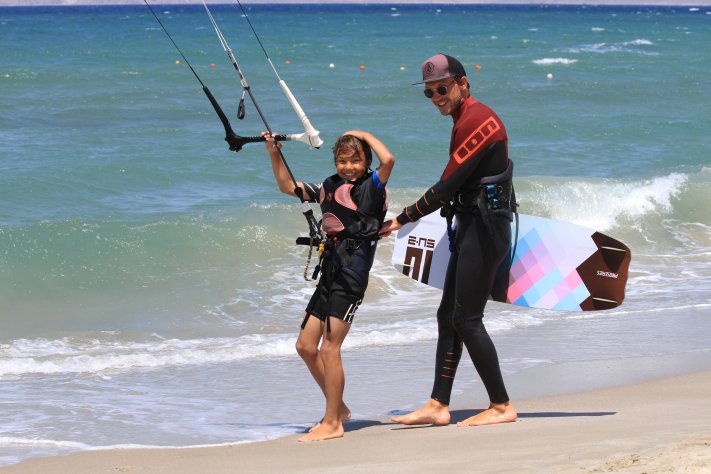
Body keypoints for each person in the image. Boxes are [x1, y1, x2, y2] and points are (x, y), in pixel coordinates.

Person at [379, 54, 517, 427]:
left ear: (462, 83)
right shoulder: (463, 118)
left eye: (442, 88)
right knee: (448, 315)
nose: (437, 96)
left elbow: (446, 188)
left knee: (468, 318)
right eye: (430, 93)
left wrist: (400, 220)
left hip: (487, 230)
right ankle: (438, 404)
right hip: (474, 226)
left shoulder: (477, 120)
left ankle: (502, 405)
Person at [264, 130, 395, 441]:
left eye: (355, 160)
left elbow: (388, 159)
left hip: (352, 272)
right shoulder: (328, 186)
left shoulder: (371, 187)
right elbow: (288, 186)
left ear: (366, 162)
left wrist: (360, 134)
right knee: (306, 346)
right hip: (331, 270)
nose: (348, 166)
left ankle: (333, 422)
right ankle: (340, 409)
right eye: (342, 160)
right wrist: (273, 152)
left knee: (329, 348)